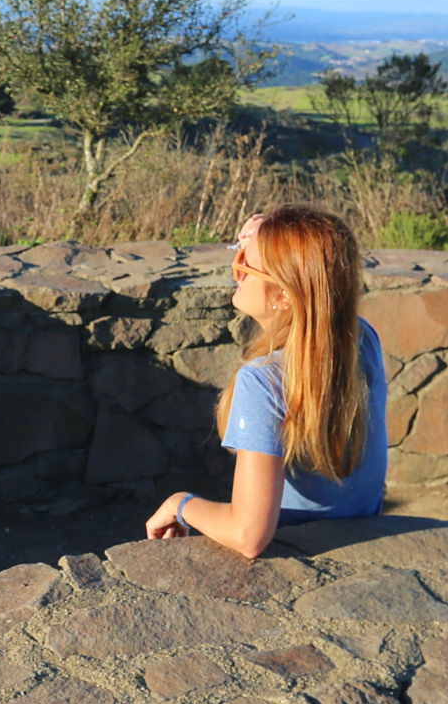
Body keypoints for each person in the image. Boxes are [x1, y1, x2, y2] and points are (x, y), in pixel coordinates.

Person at [144, 205, 387, 558]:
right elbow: (321, 258)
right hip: (361, 539)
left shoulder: (264, 380)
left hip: (293, 554)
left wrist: (179, 504)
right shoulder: (360, 340)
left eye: (246, 264)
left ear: (284, 294)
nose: (236, 271)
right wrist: (267, 235)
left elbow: (249, 535)